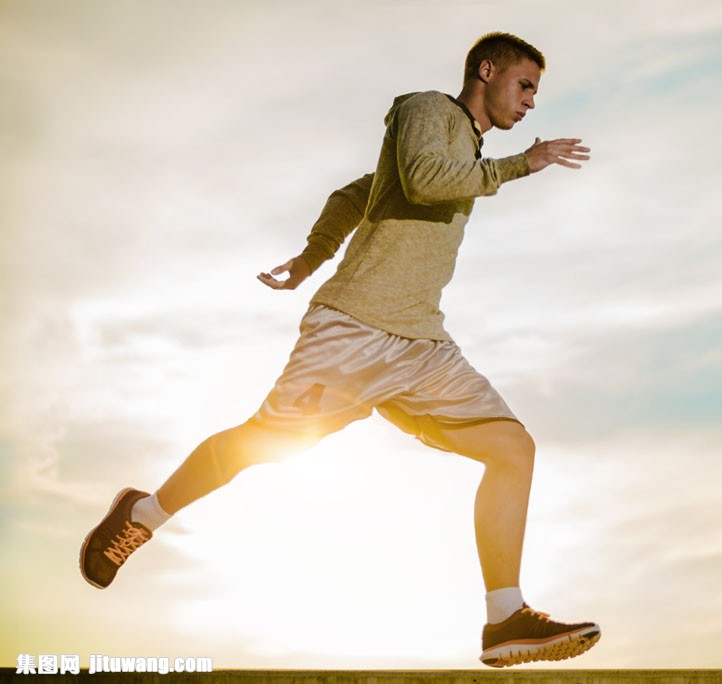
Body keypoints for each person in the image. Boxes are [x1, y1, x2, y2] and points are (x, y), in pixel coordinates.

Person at [80, 32, 599, 668]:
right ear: (485, 71)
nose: (531, 102)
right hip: (352, 328)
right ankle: (144, 511)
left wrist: (307, 257)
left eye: (535, 93)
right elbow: (427, 181)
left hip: (420, 341)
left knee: (512, 449)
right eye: (525, 85)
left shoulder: (465, 144)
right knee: (262, 443)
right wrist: (524, 162)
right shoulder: (425, 111)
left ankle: (504, 617)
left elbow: (358, 194)